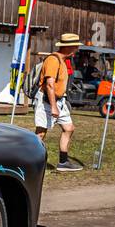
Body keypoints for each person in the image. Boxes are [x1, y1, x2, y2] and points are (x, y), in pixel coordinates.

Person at [35, 32, 84, 172]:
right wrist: (53, 106)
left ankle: (63, 162)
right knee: (40, 133)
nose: (77, 49)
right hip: (48, 102)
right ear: (69, 47)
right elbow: (49, 84)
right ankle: (30, 162)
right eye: (75, 47)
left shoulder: (62, 61)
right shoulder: (53, 60)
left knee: (69, 128)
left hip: (60, 101)